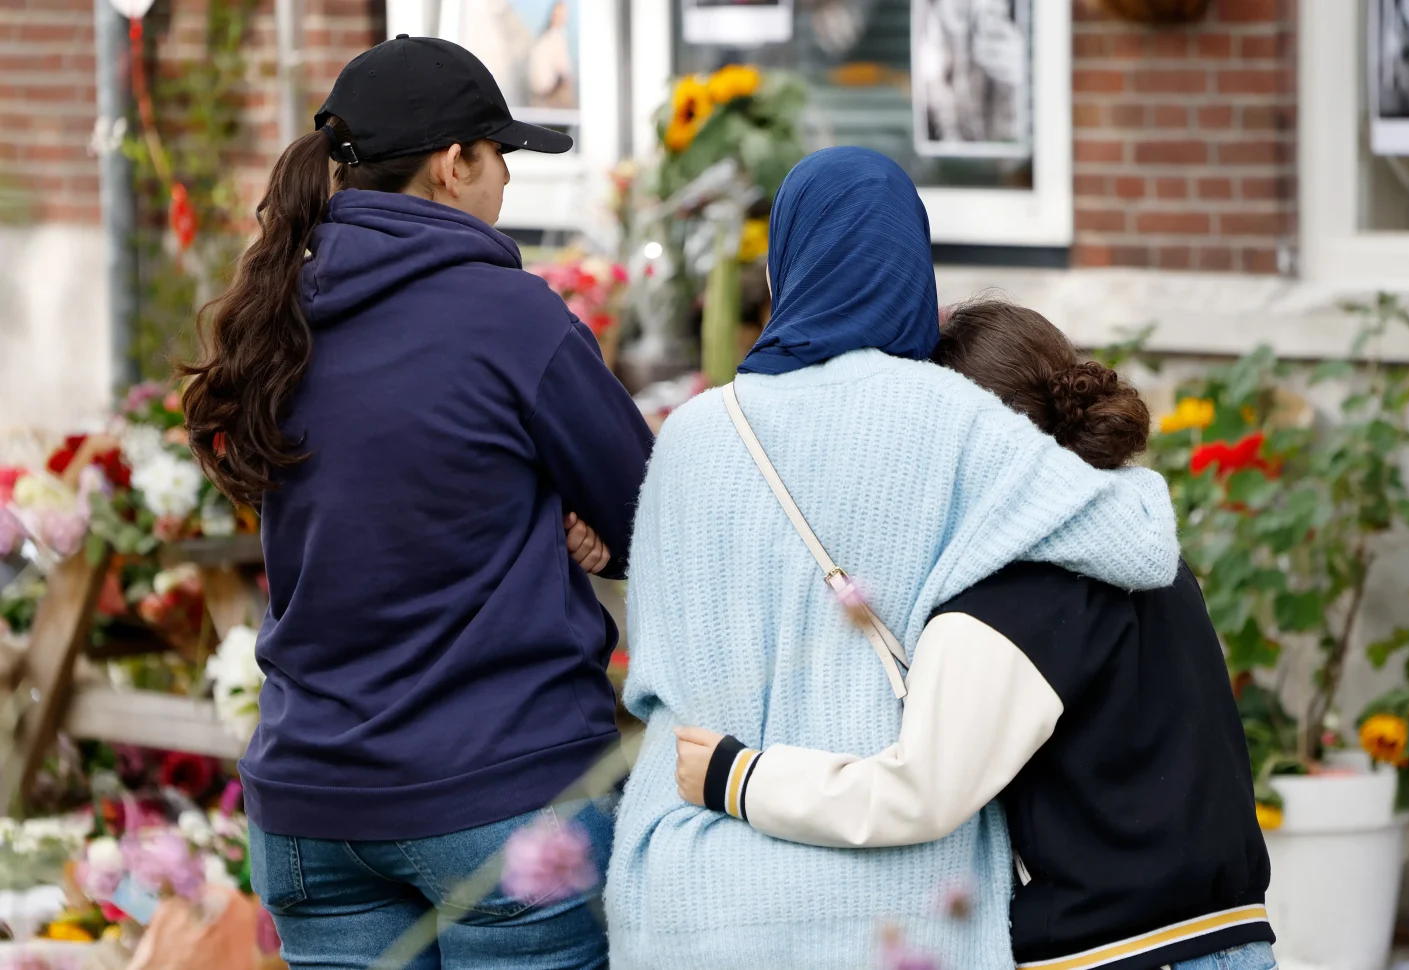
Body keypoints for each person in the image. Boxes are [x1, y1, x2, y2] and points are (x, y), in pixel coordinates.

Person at [602, 147, 1182, 970]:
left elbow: (650, 665)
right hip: (888, 909)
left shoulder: (693, 435)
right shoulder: (949, 421)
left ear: (784, 267)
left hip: (690, 889)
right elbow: (1141, 539)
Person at [180, 35, 652, 970]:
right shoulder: (513, 319)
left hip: (313, 809)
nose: (507, 184)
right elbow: (653, 511)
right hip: (502, 801)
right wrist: (592, 530)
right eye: (501, 156)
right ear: (452, 165)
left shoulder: (277, 316)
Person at [673, 300, 1275, 970]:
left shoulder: (1013, 595)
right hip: (1233, 940)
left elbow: (918, 793)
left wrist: (738, 776)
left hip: (1115, 953)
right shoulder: (1143, 547)